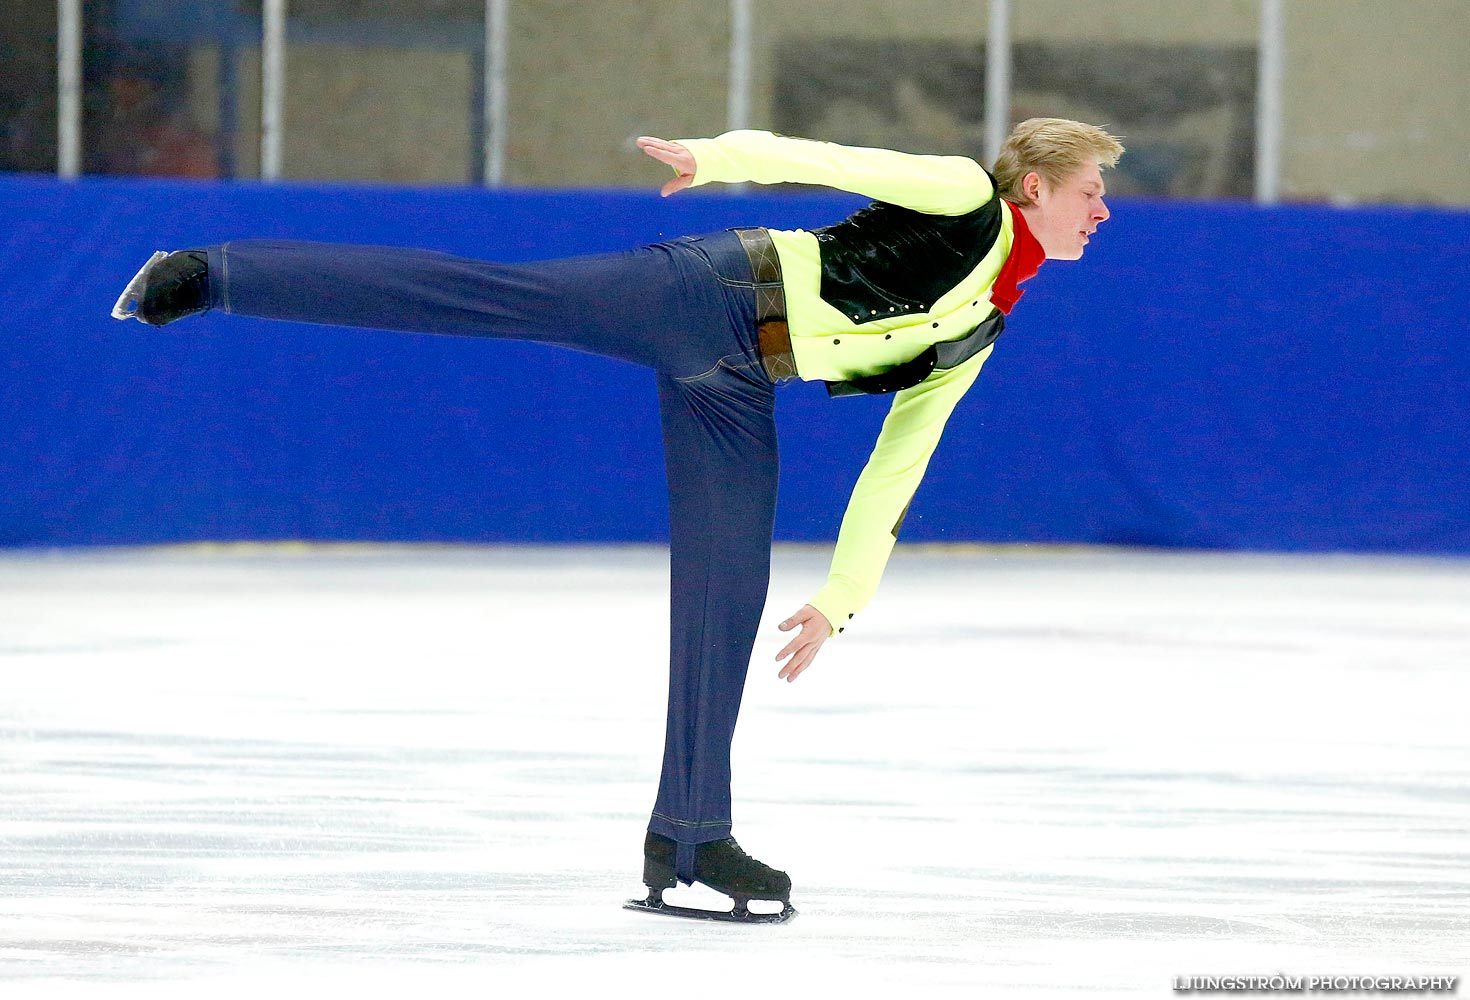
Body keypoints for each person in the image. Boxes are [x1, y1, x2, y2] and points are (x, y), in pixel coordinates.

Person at [112, 119, 1124, 923]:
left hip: (741, 379)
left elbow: (900, 466)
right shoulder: (960, 193)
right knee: (489, 298)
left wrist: (840, 600)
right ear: (1034, 186)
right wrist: (714, 157)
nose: (1103, 211)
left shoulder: (984, 324)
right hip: (708, 290)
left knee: (731, 597)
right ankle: (213, 273)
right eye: (1092, 192)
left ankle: (688, 836)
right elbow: (818, 158)